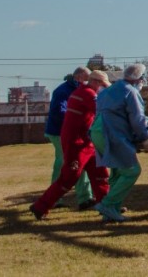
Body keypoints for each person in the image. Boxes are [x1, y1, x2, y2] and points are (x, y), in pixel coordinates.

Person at [30, 71, 112, 220]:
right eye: (104, 85)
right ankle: (40, 206)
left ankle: (107, 205)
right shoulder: (87, 94)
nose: (104, 89)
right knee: (69, 177)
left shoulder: (81, 91)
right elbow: (102, 111)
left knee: (100, 173)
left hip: (85, 141)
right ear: (95, 83)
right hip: (77, 143)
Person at [92, 64, 148, 222]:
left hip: (98, 130)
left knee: (118, 172)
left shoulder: (108, 90)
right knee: (132, 171)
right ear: (140, 79)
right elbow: (137, 118)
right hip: (112, 132)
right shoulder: (130, 92)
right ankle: (107, 204)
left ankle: (111, 211)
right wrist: (143, 138)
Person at [44, 66, 94, 208]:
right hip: (60, 133)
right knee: (68, 163)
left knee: (72, 163)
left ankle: (81, 198)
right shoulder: (63, 91)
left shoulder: (74, 90)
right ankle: (77, 198)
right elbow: (60, 113)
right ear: (78, 77)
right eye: (86, 79)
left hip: (70, 132)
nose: (87, 82)